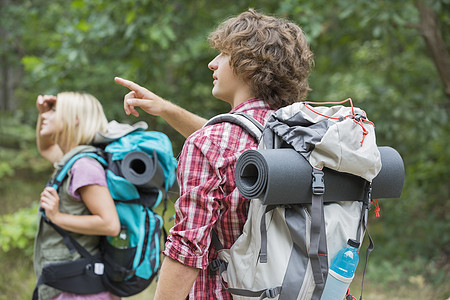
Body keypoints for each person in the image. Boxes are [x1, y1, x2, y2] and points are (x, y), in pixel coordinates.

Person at [115, 9, 314, 299]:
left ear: (248, 64)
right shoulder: (300, 133)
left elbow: (187, 249)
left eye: (222, 54)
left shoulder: (212, 143)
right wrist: (168, 109)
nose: (212, 63)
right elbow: (230, 147)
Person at [34, 92, 121, 300]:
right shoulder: (71, 159)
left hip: (80, 291)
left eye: (54, 111)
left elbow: (110, 224)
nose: (46, 116)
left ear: (75, 119)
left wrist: (57, 216)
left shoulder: (84, 166)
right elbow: (45, 146)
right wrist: (43, 113)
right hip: (69, 284)